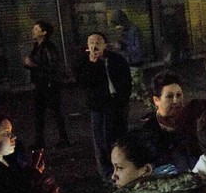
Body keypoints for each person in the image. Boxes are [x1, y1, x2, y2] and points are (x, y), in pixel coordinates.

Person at [75, 32, 132, 182]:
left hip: (117, 104)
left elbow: (126, 79)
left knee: (119, 136)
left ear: (105, 44)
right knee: (101, 140)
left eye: (98, 41)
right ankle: (106, 173)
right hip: (99, 106)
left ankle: (123, 168)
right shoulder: (84, 61)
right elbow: (84, 83)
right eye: (91, 41)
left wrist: (123, 98)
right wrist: (92, 63)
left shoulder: (116, 59)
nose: (95, 44)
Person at [23, 21, 70, 149]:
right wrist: (28, 64)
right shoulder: (37, 46)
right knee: (39, 113)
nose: (33, 31)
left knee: (55, 113)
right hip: (41, 84)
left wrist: (34, 65)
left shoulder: (48, 47)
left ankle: (63, 138)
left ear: (44, 32)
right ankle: (40, 141)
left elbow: (53, 67)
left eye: (36, 29)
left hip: (49, 84)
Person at [138, 72, 197, 174]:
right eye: (169, 96)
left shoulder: (194, 120)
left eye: (179, 95)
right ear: (156, 100)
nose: (176, 100)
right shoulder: (148, 132)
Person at [110, 9, 147, 100]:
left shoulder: (134, 30)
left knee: (136, 79)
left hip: (135, 60)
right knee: (135, 80)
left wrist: (122, 47)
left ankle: (143, 97)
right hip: (127, 60)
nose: (118, 27)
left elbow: (138, 48)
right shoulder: (122, 31)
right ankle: (141, 95)